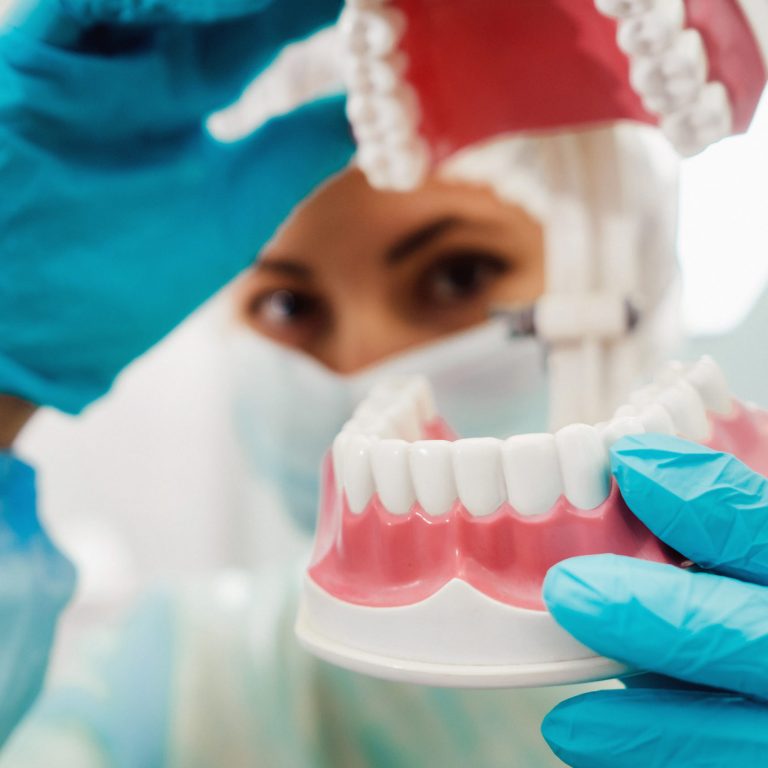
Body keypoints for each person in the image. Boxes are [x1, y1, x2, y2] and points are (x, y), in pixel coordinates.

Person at [0, 2, 767, 766]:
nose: (362, 364)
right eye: (289, 304)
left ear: (630, 279)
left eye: (456, 274)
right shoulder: (173, 687)